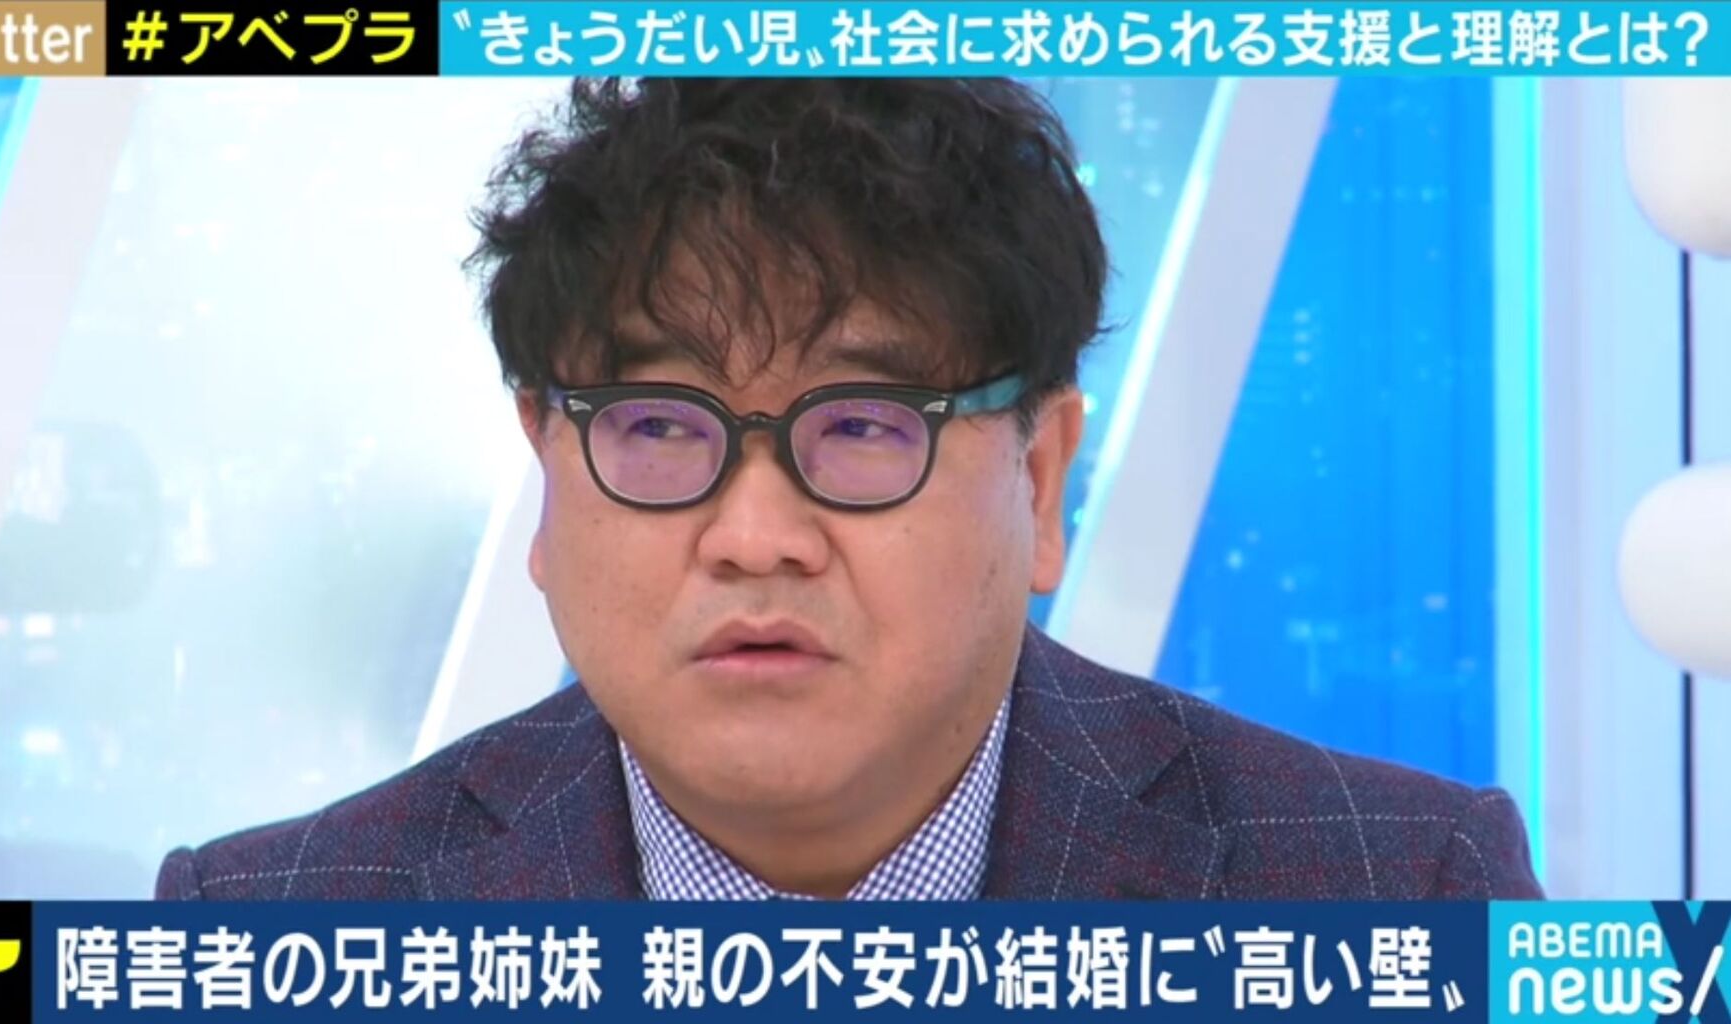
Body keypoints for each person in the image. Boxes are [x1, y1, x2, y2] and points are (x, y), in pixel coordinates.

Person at [156, 78, 1540, 901]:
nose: (756, 538)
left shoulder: (1399, 889)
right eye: (659, 424)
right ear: (547, 467)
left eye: (866, 427)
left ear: (1040, 477)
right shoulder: (272, 930)